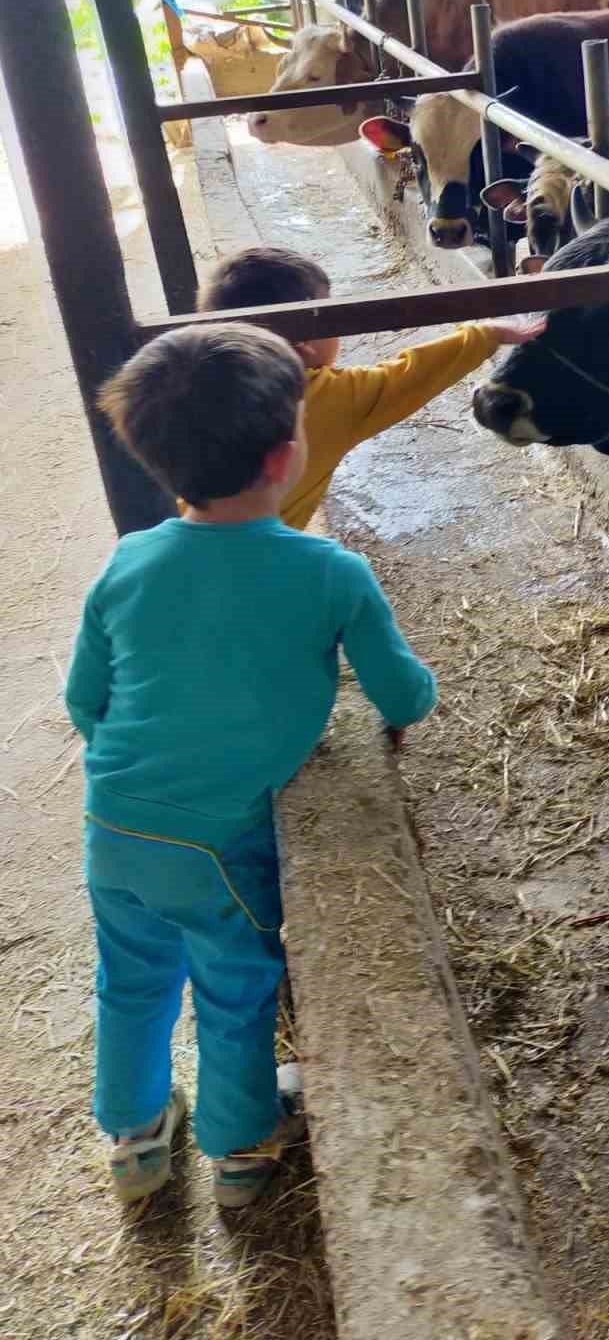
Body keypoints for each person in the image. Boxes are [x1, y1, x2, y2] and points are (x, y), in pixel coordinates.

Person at [67, 322, 437, 1208]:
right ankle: (238, 1147)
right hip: (217, 845)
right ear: (285, 456)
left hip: (113, 826)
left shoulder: (128, 561)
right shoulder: (328, 571)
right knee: (233, 988)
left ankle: (134, 1135)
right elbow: (403, 692)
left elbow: (85, 701)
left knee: (130, 980)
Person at [196, 247, 543, 530]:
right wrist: (485, 335)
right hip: (266, 564)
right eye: (332, 318)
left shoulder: (188, 384)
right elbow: (408, 376)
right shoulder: (324, 396)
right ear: (303, 342)